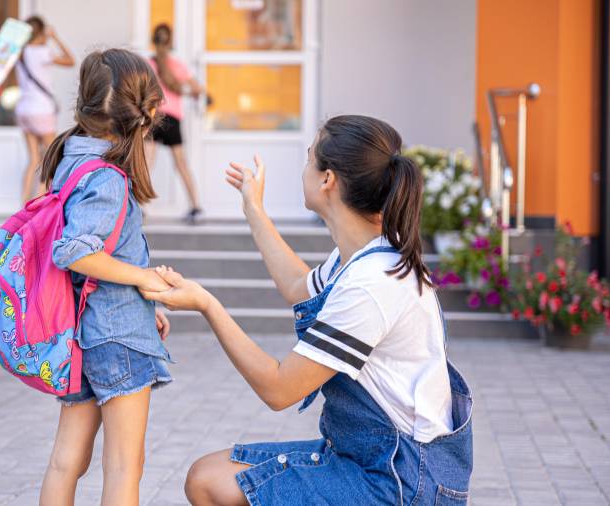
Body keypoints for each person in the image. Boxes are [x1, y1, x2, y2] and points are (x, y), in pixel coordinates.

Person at [141, 115, 474, 505]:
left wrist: (206, 304)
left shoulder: (373, 284)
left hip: (401, 481)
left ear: (327, 179)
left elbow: (279, 388)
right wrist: (254, 208)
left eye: (308, 156)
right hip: (367, 458)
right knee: (208, 476)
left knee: (214, 487)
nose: (304, 166)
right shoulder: (362, 255)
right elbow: (298, 287)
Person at [38, 49, 175, 506]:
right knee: (124, 468)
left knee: (66, 461)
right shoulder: (108, 178)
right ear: (148, 113)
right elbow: (75, 251)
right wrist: (143, 279)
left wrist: (143, 302)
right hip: (115, 336)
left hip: (82, 333)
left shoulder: (68, 160)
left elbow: (103, 249)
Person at [147, 23, 205, 224]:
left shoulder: (148, 64)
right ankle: (196, 206)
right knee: (181, 164)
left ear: (153, 40)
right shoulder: (178, 65)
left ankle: (136, 209)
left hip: (153, 117)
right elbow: (198, 89)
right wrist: (184, 92)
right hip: (172, 118)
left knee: (145, 165)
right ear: (171, 42)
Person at [15, 16, 75, 202]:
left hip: (23, 109)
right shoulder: (42, 52)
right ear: (41, 33)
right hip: (41, 110)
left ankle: (24, 201)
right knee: (51, 157)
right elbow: (71, 60)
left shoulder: (20, 53)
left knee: (33, 158)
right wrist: (55, 37)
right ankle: (40, 199)